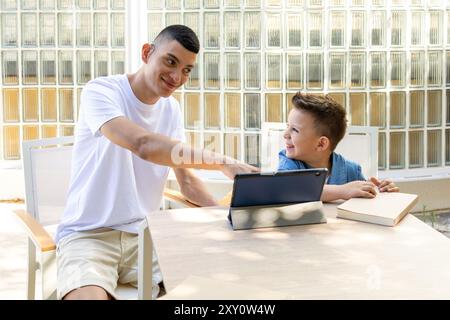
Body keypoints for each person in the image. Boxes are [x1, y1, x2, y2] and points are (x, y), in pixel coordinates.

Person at [55, 25, 258, 300]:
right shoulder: (102, 91)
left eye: (187, 70)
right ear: (147, 52)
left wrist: (228, 220)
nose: (177, 77)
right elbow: (144, 145)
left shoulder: (171, 109)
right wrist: (222, 162)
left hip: (147, 237)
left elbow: (186, 182)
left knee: (221, 285)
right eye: (170, 61)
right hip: (89, 236)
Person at [278, 92, 399, 202]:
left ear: (321, 144)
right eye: (288, 126)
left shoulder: (351, 170)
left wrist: (380, 190)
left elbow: (365, 196)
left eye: (294, 129)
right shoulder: (288, 163)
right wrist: (343, 191)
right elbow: (288, 189)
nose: (285, 134)